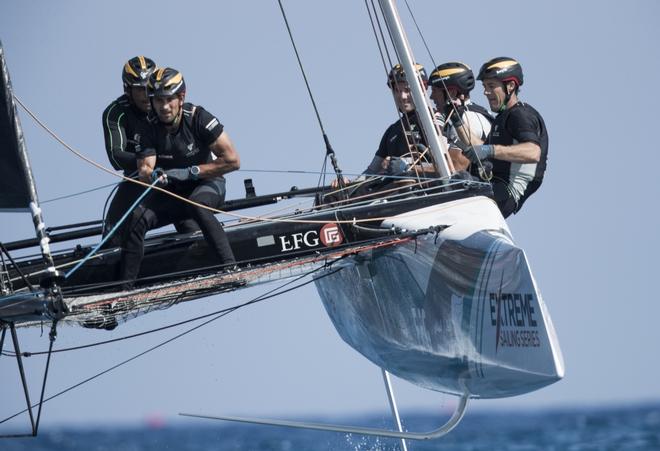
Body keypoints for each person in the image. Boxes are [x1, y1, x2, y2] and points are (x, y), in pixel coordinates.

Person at [118, 67, 240, 289]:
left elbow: (232, 161)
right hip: (172, 191)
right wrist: (152, 175)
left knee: (197, 204)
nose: (163, 107)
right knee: (136, 218)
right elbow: (145, 168)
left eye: (169, 100)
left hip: (207, 184)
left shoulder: (198, 118)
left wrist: (190, 172)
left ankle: (231, 269)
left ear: (181, 97)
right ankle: (125, 289)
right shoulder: (148, 127)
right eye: (157, 101)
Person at [101, 56, 198, 248]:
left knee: (189, 219)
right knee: (112, 233)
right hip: (138, 177)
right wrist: (149, 165)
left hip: (171, 175)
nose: (145, 94)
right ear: (127, 89)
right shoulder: (115, 112)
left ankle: (202, 246)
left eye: (148, 87)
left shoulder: (165, 105)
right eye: (139, 88)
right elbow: (116, 157)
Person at [462, 57, 548, 218]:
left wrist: (490, 150)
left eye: (491, 86)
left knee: (455, 184)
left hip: (504, 193)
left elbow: (533, 152)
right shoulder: (503, 117)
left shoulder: (520, 115)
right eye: (484, 86)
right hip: (492, 186)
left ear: (510, 86)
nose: (486, 92)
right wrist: (456, 120)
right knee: (453, 180)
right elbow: (479, 147)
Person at [361, 63, 437, 178]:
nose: (402, 96)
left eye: (407, 90)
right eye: (397, 90)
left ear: (422, 90)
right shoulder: (392, 130)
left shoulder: (435, 120)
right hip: (395, 191)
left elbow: (448, 164)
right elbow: (371, 171)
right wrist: (348, 184)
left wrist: (406, 163)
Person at [428, 61, 493, 173]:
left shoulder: (467, 118)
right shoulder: (470, 112)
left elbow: (454, 167)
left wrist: (408, 167)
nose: (431, 96)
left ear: (452, 93)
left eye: (435, 91)